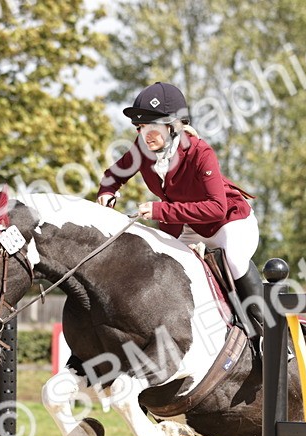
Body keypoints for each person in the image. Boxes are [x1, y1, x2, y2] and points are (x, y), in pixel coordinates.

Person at [95, 81, 265, 337]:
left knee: (233, 260)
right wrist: (107, 192)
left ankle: (266, 331)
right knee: (162, 266)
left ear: (173, 126)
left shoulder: (200, 152)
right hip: (189, 227)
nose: (144, 135)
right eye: (140, 127)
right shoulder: (143, 149)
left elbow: (217, 208)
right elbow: (114, 174)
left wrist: (159, 211)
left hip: (229, 223)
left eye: (152, 127)